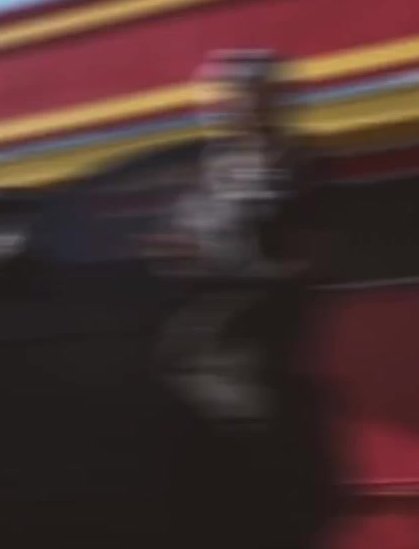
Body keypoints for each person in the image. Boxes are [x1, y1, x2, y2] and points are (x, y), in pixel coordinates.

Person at [147, 49, 339, 549]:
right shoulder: (214, 167)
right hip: (207, 338)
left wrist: (255, 265)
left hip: (261, 339)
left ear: (270, 99)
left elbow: (307, 254)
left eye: (244, 94)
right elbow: (184, 235)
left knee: (264, 457)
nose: (231, 104)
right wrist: (176, 249)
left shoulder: (301, 163)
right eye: (227, 95)